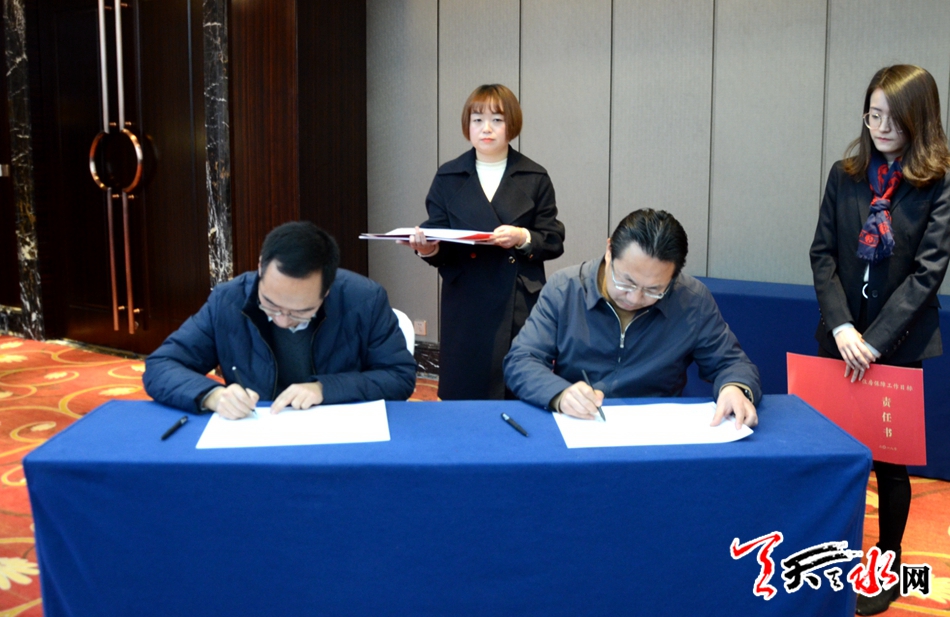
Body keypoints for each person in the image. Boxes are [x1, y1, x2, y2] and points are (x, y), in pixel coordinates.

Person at [810, 65, 950, 615]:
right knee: (834, 456)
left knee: (890, 466)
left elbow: (927, 272)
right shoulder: (845, 175)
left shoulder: (937, 182)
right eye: (873, 115)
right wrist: (843, 327)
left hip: (897, 346)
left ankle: (886, 570)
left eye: (894, 117)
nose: (882, 127)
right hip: (840, 340)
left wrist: (876, 341)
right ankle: (827, 555)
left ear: (920, 119)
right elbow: (822, 254)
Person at [503, 208, 760, 428]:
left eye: (654, 290)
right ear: (609, 251)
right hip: (578, 424)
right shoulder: (566, 289)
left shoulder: (691, 300)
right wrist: (560, 394)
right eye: (626, 282)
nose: (635, 298)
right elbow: (521, 360)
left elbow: (732, 364)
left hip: (656, 432)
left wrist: (734, 388)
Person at [144, 221, 417, 418]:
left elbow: (398, 377)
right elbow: (161, 365)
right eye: (270, 304)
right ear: (260, 267)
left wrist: (325, 388)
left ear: (327, 290)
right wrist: (211, 395)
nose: (283, 321)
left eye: (300, 312)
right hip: (256, 430)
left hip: (336, 430)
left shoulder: (364, 299)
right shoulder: (228, 300)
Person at [404, 84, 565, 400]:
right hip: (466, 298)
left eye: (497, 120)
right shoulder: (448, 176)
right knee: (466, 393)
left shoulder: (534, 176)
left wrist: (522, 237)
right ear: (467, 126)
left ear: (512, 125)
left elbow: (553, 239)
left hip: (517, 299)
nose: (486, 129)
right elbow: (439, 236)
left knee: (516, 389)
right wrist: (428, 248)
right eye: (477, 120)